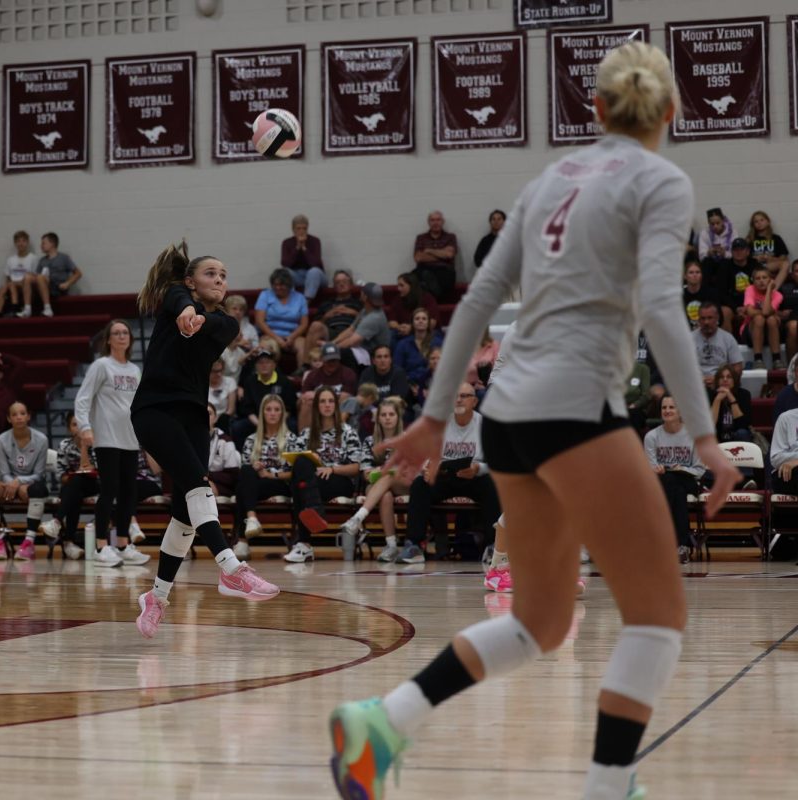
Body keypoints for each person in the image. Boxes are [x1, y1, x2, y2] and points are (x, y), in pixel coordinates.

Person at [329, 41, 739, 800]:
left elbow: (477, 303)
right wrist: (708, 438)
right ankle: (608, 786)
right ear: (674, 112)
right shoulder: (662, 180)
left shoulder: (549, 177)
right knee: (657, 616)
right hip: (574, 409)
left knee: (542, 622)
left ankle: (382, 721)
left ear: (596, 108)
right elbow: (659, 305)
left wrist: (430, 414)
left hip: (506, 414)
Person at [130, 243, 280, 639]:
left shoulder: (227, 324)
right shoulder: (173, 299)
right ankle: (232, 569)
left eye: (224, 275)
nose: (220, 279)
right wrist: (183, 311)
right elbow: (177, 299)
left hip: (195, 417)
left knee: (184, 514)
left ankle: (156, 598)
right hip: (154, 410)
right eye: (211, 273)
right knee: (200, 486)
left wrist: (193, 318)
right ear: (190, 281)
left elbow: (209, 324)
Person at [71, 319, 148, 567]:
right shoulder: (101, 366)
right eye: (116, 333)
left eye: (125, 332)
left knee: (129, 492)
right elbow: (83, 399)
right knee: (110, 490)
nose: (122, 336)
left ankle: (123, 544)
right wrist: (85, 427)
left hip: (130, 439)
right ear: (108, 339)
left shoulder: (135, 371)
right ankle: (102, 544)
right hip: (106, 438)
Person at [394, 383, 499, 564]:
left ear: (474, 401)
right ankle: (414, 546)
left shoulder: (485, 425)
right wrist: (427, 468)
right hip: (444, 476)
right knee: (420, 485)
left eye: (464, 396)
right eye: (456, 396)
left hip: (473, 476)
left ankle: (493, 547)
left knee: (492, 484)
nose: (459, 400)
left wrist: (477, 468)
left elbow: (497, 462)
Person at [283, 386, 363, 563]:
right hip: (315, 483)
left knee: (301, 486)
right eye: (322, 401)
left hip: (339, 481)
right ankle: (314, 510)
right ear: (316, 406)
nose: (327, 405)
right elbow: (293, 465)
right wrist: (312, 460)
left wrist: (332, 469)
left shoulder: (348, 432)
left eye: (330, 401)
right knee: (302, 465)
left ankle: (304, 544)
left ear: (336, 405)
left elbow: (357, 467)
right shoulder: (306, 434)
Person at [339, 397, 408, 562]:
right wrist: (379, 471)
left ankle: (357, 518)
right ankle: (391, 546)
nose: (388, 418)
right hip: (379, 486)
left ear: (398, 417)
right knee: (385, 495)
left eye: (391, 414)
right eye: (383, 415)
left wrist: (385, 470)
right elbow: (366, 474)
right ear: (378, 419)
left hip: (406, 483)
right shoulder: (370, 441)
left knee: (389, 475)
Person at [0, 402, 52, 562]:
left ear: (28, 416)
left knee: (30, 491)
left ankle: (28, 542)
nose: (19, 417)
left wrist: (18, 482)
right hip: (7, 482)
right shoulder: (0, 440)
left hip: (29, 483)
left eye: (22, 413)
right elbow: (4, 472)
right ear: (9, 419)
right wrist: (11, 483)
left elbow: (39, 474)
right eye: (14, 414)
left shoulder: (41, 439)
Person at [645, 396, 705, 565]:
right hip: (664, 482)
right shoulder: (652, 436)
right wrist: (656, 470)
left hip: (689, 480)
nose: (667, 411)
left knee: (673, 481)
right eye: (664, 408)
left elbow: (699, 471)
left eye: (672, 407)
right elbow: (650, 468)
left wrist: (682, 469)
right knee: (674, 487)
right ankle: (681, 547)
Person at [234, 395, 293, 559]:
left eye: (276, 410)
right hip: (256, 485)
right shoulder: (251, 440)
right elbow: (245, 470)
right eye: (268, 410)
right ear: (262, 413)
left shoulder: (291, 439)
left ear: (282, 413)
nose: (272, 413)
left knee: (242, 490)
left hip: (280, 484)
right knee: (246, 473)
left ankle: (242, 541)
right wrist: (255, 468)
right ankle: (252, 519)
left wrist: (270, 474)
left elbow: (294, 473)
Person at [55, 411, 99, 561]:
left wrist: (84, 448)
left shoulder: (97, 443)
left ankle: (57, 523)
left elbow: (95, 471)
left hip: (94, 485)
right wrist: (76, 476)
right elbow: (60, 474)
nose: (79, 429)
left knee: (76, 483)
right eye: (75, 425)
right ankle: (69, 543)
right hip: (74, 488)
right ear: (69, 429)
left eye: (82, 425)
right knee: (75, 489)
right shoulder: (64, 445)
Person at [331, 282, 391, 369]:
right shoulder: (365, 311)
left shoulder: (374, 318)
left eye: (362, 292)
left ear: (365, 297)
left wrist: (331, 349)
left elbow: (352, 341)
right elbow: (351, 329)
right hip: (362, 348)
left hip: (374, 354)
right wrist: (332, 343)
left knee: (343, 352)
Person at [254, 268, 309, 362]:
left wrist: (291, 337)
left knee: (304, 346)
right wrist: (277, 338)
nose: (278, 287)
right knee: (268, 347)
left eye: (281, 285)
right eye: (275, 285)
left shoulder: (300, 298)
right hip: (270, 335)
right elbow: (260, 321)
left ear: (289, 285)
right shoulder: (265, 295)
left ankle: (302, 374)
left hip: (293, 336)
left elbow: (304, 323)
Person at [298, 343, 357, 430]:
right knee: (306, 403)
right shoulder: (312, 375)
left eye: (334, 360)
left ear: (339, 359)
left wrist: (318, 396)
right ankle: (303, 440)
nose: (332, 363)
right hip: (316, 411)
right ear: (322, 360)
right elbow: (302, 399)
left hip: (339, 410)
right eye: (329, 360)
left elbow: (345, 399)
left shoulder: (348, 373)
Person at [693, 302, 742, 389]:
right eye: (703, 318)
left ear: (717, 318)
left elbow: (737, 367)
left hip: (722, 385)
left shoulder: (728, 338)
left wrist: (719, 380)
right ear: (698, 320)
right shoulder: (689, 339)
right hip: (696, 386)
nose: (706, 322)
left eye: (710, 318)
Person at [740, 266, 781, 369]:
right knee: (759, 319)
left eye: (764, 277)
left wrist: (768, 291)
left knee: (771, 320)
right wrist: (764, 313)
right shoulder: (750, 290)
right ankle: (758, 359)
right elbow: (750, 312)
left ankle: (777, 359)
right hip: (750, 332)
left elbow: (766, 311)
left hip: (770, 333)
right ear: (753, 281)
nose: (761, 281)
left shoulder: (777, 295)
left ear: (770, 280)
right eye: (757, 278)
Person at [412, 210, 459, 301]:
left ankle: (431, 297)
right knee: (412, 277)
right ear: (428, 222)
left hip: (444, 270)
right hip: (424, 269)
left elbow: (449, 255)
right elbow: (418, 257)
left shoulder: (450, 237)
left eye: (438, 220)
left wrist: (429, 250)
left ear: (443, 222)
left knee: (440, 278)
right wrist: (442, 254)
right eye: (432, 220)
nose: (435, 223)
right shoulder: (421, 238)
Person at [392, 308, 443, 388]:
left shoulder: (438, 343)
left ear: (428, 322)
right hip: (409, 385)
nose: (420, 321)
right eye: (417, 319)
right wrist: (409, 386)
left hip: (434, 384)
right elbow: (397, 370)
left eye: (424, 319)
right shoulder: (403, 344)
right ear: (412, 323)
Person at [280, 213, 326, 300]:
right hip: (297, 276)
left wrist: (304, 247)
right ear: (293, 230)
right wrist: (297, 247)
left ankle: (305, 303)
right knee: (285, 272)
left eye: (304, 228)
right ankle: (292, 301)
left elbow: (316, 263)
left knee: (314, 271)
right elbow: (285, 263)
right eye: (298, 228)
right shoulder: (286, 243)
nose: (302, 231)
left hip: (316, 276)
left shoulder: (315, 241)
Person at [37, 232, 82, 314]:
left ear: (52, 244)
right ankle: (26, 308)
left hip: (58, 287)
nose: (41, 245)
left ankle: (47, 308)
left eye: (44, 243)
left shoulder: (63, 258)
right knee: (29, 277)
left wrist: (68, 283)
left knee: (40, 277)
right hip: (45, 287)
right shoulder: (42, 260)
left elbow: (78, 273)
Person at [0, 230, 41, 317]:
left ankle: (15, 308)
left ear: (27, 242)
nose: (21, 244)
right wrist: (9, 284)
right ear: (15, 243)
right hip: (12, 285)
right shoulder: (10, 259)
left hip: (26, 286)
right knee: (3, 287)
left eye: (23, 241)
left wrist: (20, 283)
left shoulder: (33, 258)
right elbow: (8, 278)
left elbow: (36, 277)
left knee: (13, 285)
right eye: (18, 241)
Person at [219, 294, 259, 384]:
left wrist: (249, 347)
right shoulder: (221, 325)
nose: (238, 312)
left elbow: (256, 346)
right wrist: (236, 344)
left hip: (245, 363)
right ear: (227, 310)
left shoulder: (249, 328)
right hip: (224, 358)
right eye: (234, 309)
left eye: (241, 310)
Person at [709, 365, 752, 444]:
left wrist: (731, 398)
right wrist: (717, 400)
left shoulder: (744, 394)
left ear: (734, 380)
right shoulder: (711, 395)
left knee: (742, 433)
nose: (725, 380)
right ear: (718, 381)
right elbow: (710, 425)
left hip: (737, 437)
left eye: (729, 377)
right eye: (721, 377)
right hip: (718, 437)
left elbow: (743, 425)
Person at [388, 272, 440, 339]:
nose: (398, 289)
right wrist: (399, 327)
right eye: (398, 286)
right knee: (392, 334)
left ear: (411, 285)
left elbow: (432, 322)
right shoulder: (397, 300)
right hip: (404, 331)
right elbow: (391, 321)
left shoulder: (427, 298)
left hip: (426, 331)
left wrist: (412, 328)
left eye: (401, 285)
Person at [313, 270, 361, 341]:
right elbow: (316, 324)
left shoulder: (358, 303)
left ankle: (330, 346)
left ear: (351, 285)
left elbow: (368, 321)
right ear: (334, 286)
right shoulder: (326, 303)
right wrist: (326, 316)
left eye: (344, 281)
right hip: (330, 332)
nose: (341, 284)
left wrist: (354, 313)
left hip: (351, 332)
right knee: (315, 326)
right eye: (338, 282)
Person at [207, 402, 241, 498]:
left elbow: (233, 476)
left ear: (215, 418)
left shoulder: (226, 441)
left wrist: (208, 477)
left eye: (209, 413)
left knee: (205, 487)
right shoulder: (190, 441)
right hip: (198, 483)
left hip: (222, 486)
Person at [682, 257, 720, 331]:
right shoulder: (680, 295)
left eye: (697, 272)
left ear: (701, 275)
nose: (694, 275)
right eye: (691, 272)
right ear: (685, 276)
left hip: (707, 330)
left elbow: (719, 317)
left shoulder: (711, 293)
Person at [748, 210, 789, 278]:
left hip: (770, 265)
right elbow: (744, 257)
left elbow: (784, 258)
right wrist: (756, 258)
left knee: (786, 264)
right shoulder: (750, 239)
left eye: (762, 220)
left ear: (768, 222)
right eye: (756, 221)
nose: (759, 223)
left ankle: (774, 287)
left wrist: (770, 258)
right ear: (753, 225)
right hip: (755, 266)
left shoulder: (776, 238)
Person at [777, 259, 798, 362]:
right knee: (793, 326)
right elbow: (771, 309)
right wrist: (780, 313)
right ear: (792, 274)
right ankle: (793, 368)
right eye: (797, 271)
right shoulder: (784, 289)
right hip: (788, 323)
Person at [207, 360, 236, 430]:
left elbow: (231, 410)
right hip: (207, 416)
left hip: (224, 418)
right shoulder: (201, 384)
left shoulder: (230, 382)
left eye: (221, 370)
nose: (219, 374)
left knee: (224, 420)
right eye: (215, 371)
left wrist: (217, 419)